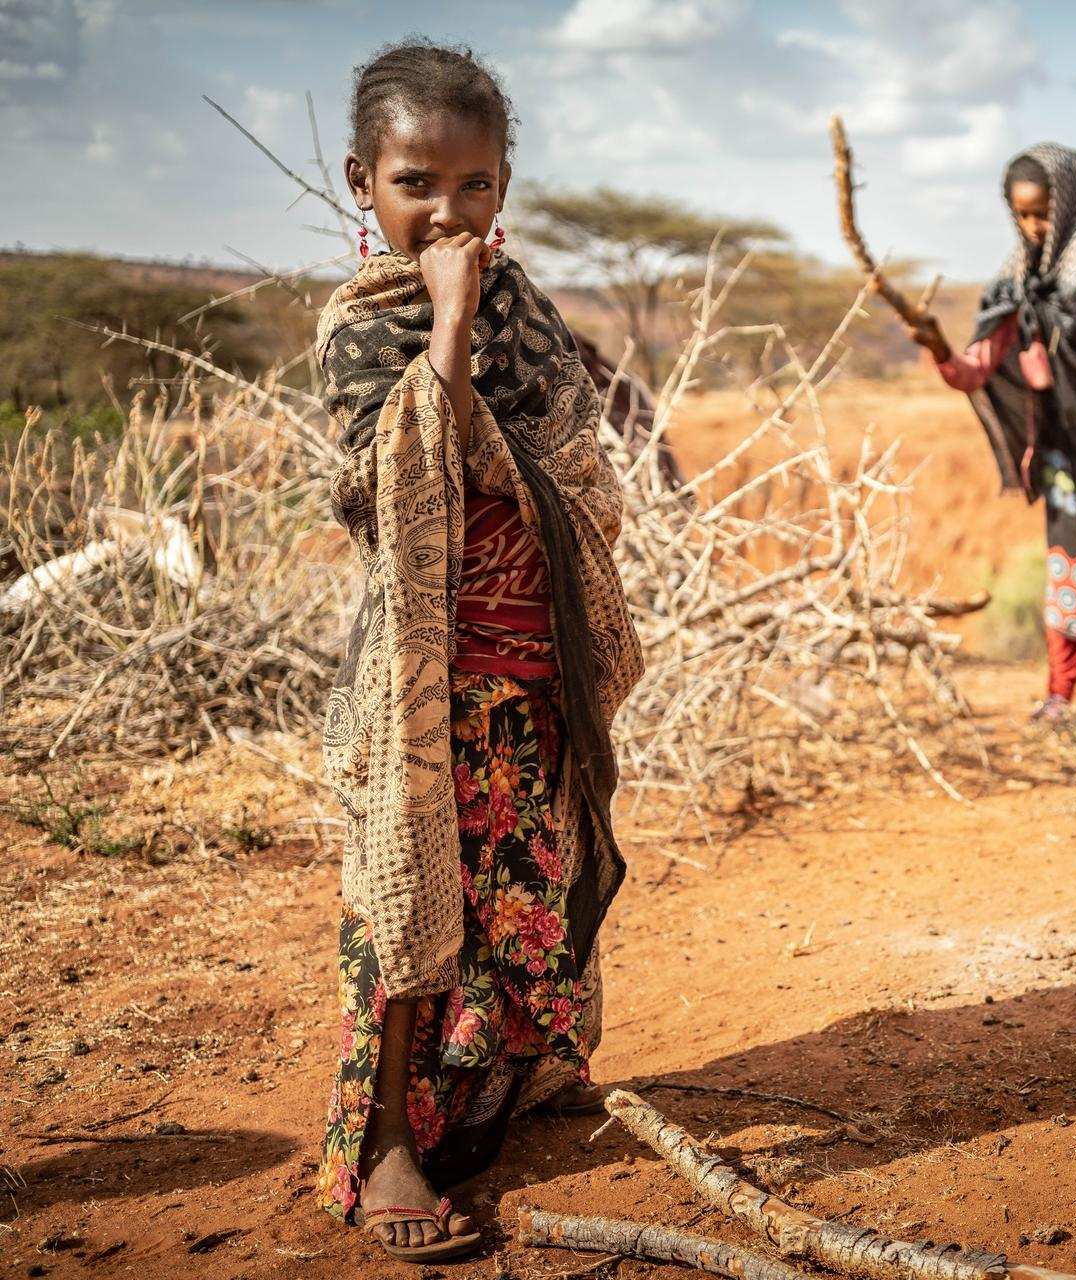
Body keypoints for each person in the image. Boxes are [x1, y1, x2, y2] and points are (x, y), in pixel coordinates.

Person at [312, 40, 643, 1262]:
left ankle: (512, 1081)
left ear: (506, 183)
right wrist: (447, 319)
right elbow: (397, 479)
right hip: (422, 682)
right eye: (417, 184)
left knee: (529, 884)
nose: (447, 212)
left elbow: (576, 461)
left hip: (533, 663)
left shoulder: (533, 316)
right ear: (363, 182)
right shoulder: (361, 330)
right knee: (411, 908)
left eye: (475, 186)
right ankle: (385, 1141)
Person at [911, 145, 1076, 729]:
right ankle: (1060, 695)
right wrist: (937, 345)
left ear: (1072, 203)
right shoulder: (1018, 279)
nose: (1034, 226)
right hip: (1066, 457)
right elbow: (974, 370)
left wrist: (1056, 364)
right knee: (1069, 575)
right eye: (1022, 215)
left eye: (1042, 213)